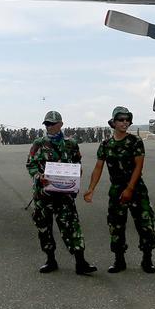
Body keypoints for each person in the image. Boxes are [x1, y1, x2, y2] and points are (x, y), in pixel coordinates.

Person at [84, 106, 155, 273]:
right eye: (121, 119)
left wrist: (130, 189)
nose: (125, 122)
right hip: (116, 189)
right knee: (116, 225)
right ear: (114, 122)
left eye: (127, 120)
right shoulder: (106, 145)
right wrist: (91, 189)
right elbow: (98, 167)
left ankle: (147, 259)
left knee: (145, 224)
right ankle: (119, 260)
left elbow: (139, 166)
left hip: (136, 188)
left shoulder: (135, 141)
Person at [27, 111, 97, 275]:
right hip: (43, 194)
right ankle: (50, 260)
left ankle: (80, 262)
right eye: (47, 124)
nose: (49, 127)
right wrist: (39, 176)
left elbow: (77, 162)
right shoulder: (39, 143)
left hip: (64, 195)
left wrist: (76, 175)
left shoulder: (71, 143)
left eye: (52, 124)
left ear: (61, 124)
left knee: (71, 226)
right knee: (44, 227)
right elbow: (30, 164)